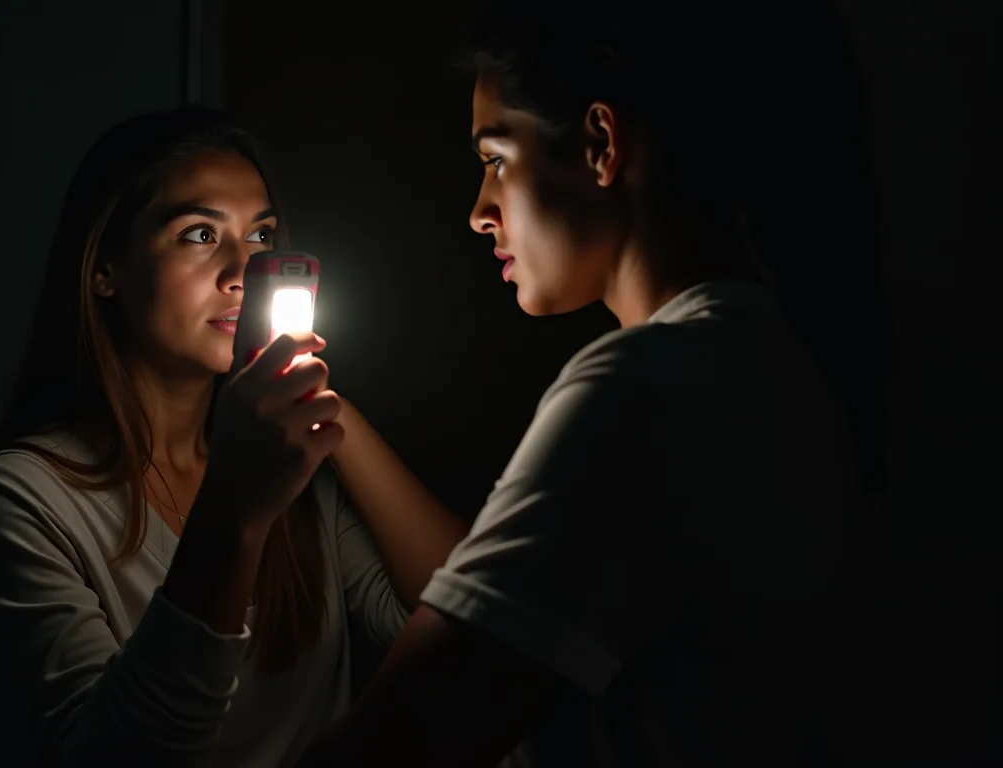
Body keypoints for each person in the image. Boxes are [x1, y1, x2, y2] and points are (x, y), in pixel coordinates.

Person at [297, 0, 891, 766]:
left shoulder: (644, 389)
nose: (481, 212)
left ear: (600, 144)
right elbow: (499, 595)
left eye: (496, 160)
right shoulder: (770, 359)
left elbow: (396, 743)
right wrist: (331, 412)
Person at [0, 107, 468, 766]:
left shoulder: (295, 472)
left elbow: (464, 613)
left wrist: (323, 400)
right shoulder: (19, 503)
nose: (243, 273)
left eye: (261, 236)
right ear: (105, 268)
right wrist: (235, 511)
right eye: (198, 234)